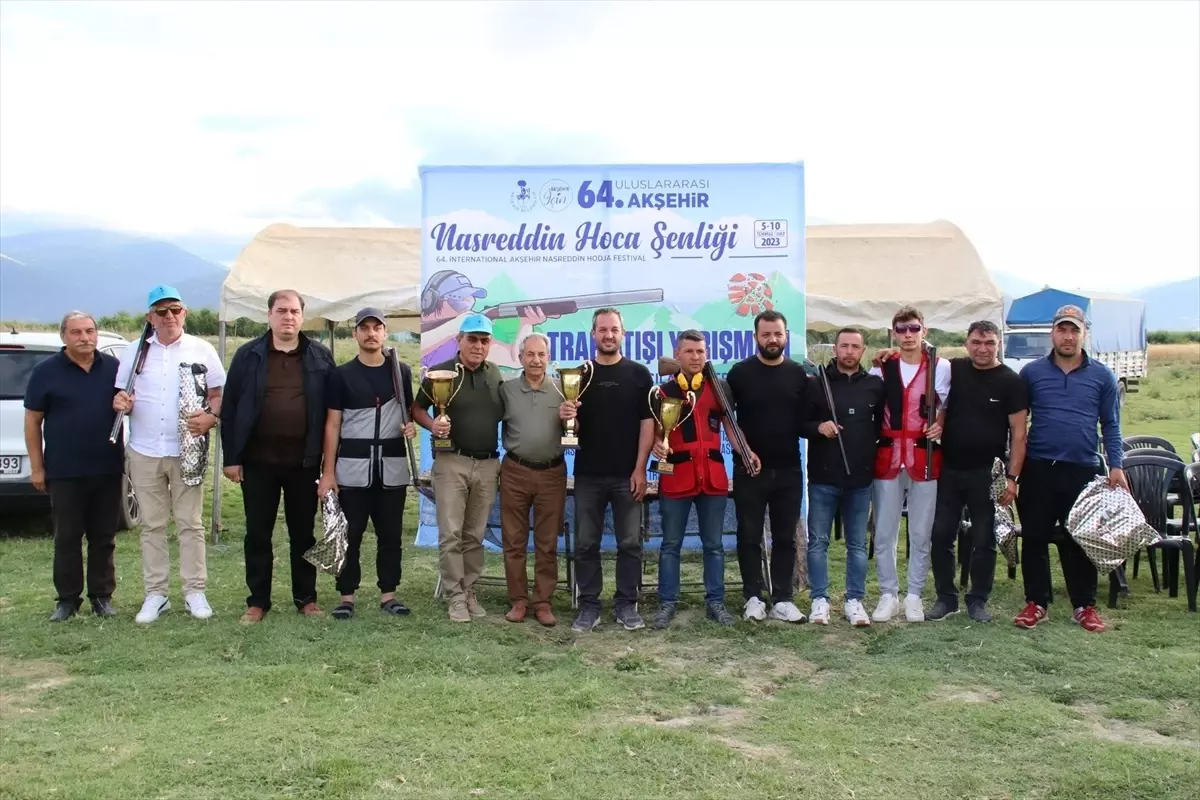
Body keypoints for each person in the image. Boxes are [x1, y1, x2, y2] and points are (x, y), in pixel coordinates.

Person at [220, 289, 337, 623]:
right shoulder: (248, 356)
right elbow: (230, 409)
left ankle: (306, 599)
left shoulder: (320, 356)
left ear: (303, 316)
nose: (288, 317)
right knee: (258, 533)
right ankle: (257, 602)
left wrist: (328, 465)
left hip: (304, 462)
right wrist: (232, 457)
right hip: (258, 463)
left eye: (294, 311)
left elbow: (332, 412)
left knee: (303, 533)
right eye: (281, 310)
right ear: (269, 315)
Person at [113, 286, 226, 624]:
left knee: (191, 524)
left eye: (175, 310)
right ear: (150, 317)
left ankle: (194, 591)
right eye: (161, 312)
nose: (169, 317)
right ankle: (156, 594)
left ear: (184, 313)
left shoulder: (202, 349)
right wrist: (122, 402)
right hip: (145, 450)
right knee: (152, 525)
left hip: (187, 450)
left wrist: (211, 418)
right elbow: (121, 395)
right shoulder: (134, 353)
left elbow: (219, 394)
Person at [1014, 304, 1126, 633]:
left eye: (1074, 330)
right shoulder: (1032, 373)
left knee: (1079, 539)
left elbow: (1112, 425)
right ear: (1052, 333)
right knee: (1033, 537)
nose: (1067, 336)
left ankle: (1084, 605)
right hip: (1038, 469)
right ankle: (1037, 603)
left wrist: (1116, 465)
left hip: (1082, 469)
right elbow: (1018, 425)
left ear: (1084, 334)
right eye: (1062, 330)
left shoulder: (1102, 375)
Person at [923, 321, 1027, 623]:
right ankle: (946, 598)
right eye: (976, 342)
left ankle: (977, 599)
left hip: (989, 473)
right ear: (967, 343)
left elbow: (1019, 434)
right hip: (950, 468)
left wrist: (1013, 477)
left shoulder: (1011, 381)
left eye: (989, 343)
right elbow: (918, 359)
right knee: (941, 534)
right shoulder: (953, 370)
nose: (983, 348)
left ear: (998, 345)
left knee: (984, 538)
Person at [24, 311, 125, 621]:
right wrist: (37, 467)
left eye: (90, 331)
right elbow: (33, 421)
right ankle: (67, 600)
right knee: (67, 537)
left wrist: (128, 404)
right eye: (77, 332)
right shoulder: (45, 372)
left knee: (103, 537)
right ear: (64, 337)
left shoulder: (114, 368)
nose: (85, 337)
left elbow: (128, 403)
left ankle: (101, 597)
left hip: (107, 468)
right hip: (64, 470)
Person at [318, 308, 418, 620]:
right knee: (350, 534)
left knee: (390, 534)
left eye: (377, 328)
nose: (371, 333)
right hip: (352, 469)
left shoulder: (400, 372)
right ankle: (346, 596)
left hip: (391, 467)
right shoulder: (341, 375)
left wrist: (410, 426)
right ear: (355, 334)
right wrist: (329, 472)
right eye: (365, 328)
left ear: (385, 333)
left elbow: (408, 412)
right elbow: (332, 425)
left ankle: (389, 595)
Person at [559, 308, 654, 632]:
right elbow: (571, 425)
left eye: (614, 329)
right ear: (594, 334)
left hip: (628, 475)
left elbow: (648, 423)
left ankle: (627, 604)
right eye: (602, 330)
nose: (608, 335)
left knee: (630, 543)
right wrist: (566, 414)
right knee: (586, 543)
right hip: (589, 474)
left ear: (623, 334)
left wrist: (640, 469)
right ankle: (589, 606)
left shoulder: (640, 374)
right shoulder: (580, 374)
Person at [412, 313, 506, 623]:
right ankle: (454, 596)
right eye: (472, 339)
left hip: (488, 463)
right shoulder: (441, 373)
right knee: (451, 533)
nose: (478, 345)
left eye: (484, 340)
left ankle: (470, 591)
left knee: (474, 535)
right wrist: (433, 426)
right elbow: (416, 409)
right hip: (451, 461)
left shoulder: (496, 375)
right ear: (459, 341)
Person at [648, 330, 739, 628]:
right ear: (677, 355)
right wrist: (656, 446)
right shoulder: (663, 392)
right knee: (670, 544)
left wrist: (746, 452)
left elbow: (730, 428)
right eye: (689, 351)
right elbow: (654, 435)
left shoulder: (719, 387)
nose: (696, 357)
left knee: (713, 545)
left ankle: (716, 602)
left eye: (701, 351)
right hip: (676, 477)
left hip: (711, 478)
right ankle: (667, 603)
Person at [725, 309, 809, 624]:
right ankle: (753, 597)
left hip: (789, 468)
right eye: (766, 334)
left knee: (785, 537)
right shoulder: (740, 373)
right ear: (756, 337)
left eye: (778, 334)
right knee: (748, 535)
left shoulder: (798, 374)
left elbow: (808, 419)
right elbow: (726, 419)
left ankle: (783, 599)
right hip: (750, 469)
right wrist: (745, 451)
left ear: (786, 336)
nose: (772, 340)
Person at [868, 306, 949, 623]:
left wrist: (941, 421)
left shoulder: (941, 368)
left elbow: (949, 404)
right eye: (901, 329)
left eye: (913, 328)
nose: (907, 335)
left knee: (921, 532)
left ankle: (914, 595)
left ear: (924, 331)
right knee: (884, 532)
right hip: (888, 456)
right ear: (893, 333)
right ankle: (889, 594)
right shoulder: (882, 368)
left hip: (925, 457)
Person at [801, 327, 884, 627]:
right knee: (818, 542)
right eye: (844, 346)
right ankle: (819, 600)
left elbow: (883, 425)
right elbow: (801, 423)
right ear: (835, 349)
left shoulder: (875, 385)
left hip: (860, 479)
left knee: (857, 544)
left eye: (855, 347)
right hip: (823, 477)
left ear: (863, 351)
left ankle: (854, 600)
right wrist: (817, 428)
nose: (849, 351)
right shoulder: (817, 384)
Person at [498, 332, 567, 627]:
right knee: (513, 540)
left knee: (547, 542)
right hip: (515, 471)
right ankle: (519, 600)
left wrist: (570, 417)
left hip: (552, 473)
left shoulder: (565, 391)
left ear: (548, 358)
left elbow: (580, 430)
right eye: (530, 354)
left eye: (541, 355)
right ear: (520, 357)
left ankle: (543, 601)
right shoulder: (507, 390)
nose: (536, 360)